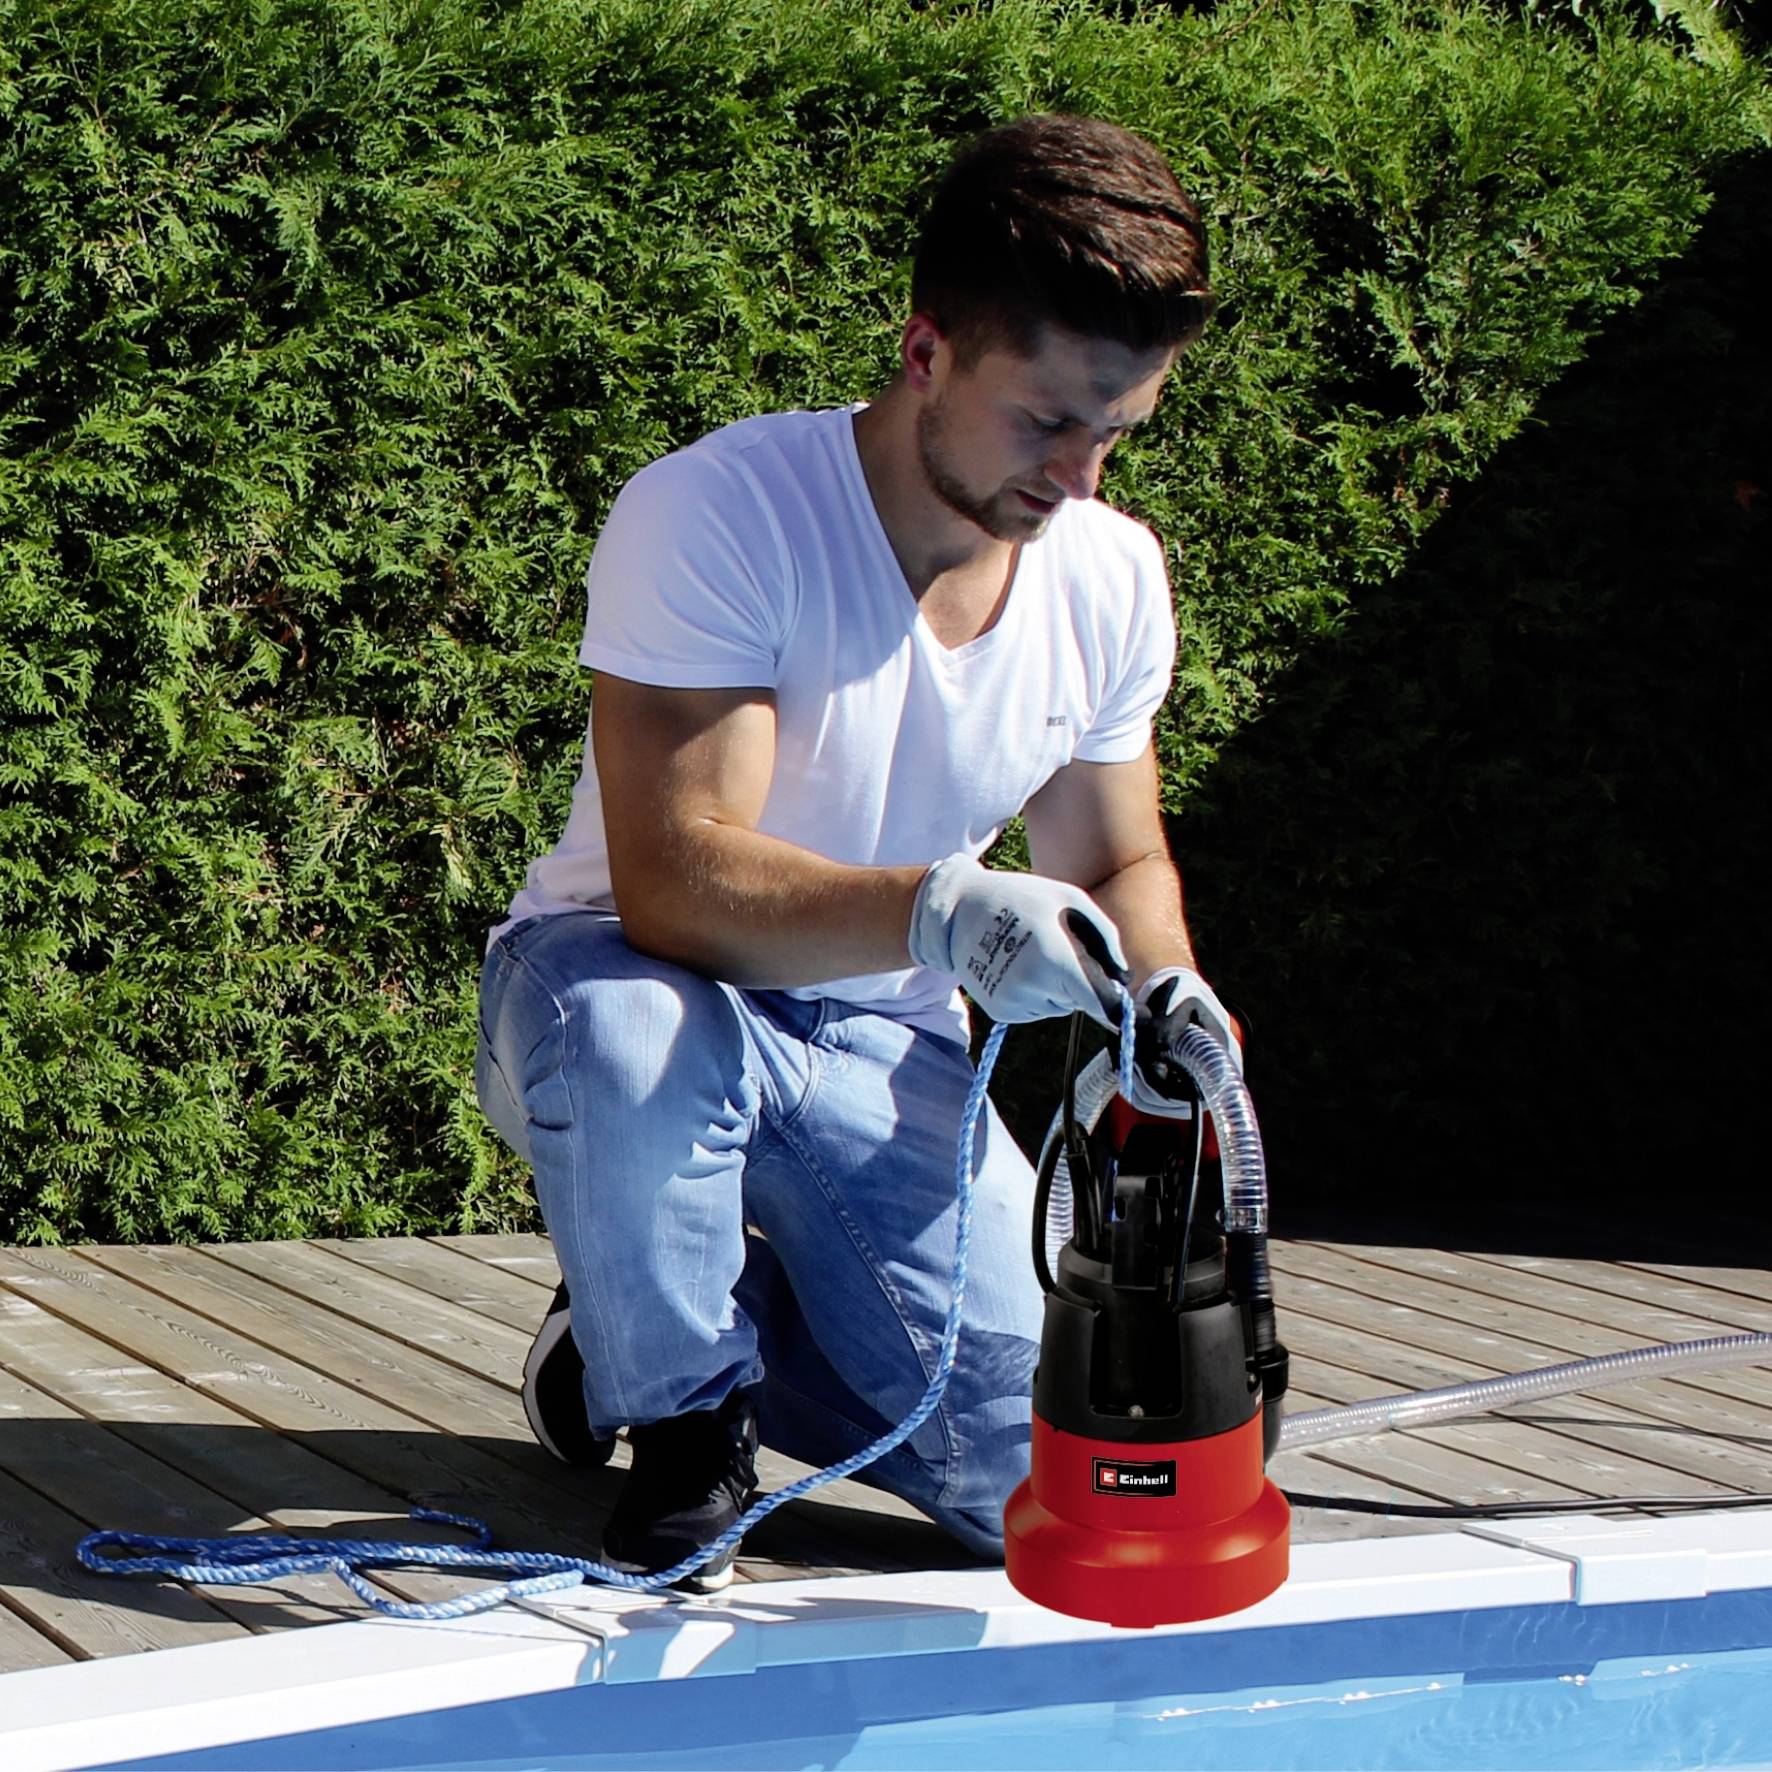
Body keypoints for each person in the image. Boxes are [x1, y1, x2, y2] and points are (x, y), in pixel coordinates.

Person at [474, 113, 1241, 1591]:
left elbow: (1113, 857)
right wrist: (943, 911)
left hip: (877, 1038)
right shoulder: (722, 510)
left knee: (1013, 1465)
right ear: (926, 351)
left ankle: (675, 1310)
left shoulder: (1112, 574)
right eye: (1045, 423)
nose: (1080, 477)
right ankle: (684, 1430)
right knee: (644, 1038)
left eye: (1118, 432)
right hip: (614, 994)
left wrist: (1170, 988)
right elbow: (676, 887)